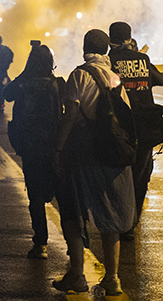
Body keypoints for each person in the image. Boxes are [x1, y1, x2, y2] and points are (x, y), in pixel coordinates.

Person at [52, 30, 136, 296]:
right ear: (107, 49)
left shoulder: (79, 75)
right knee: (111, 214)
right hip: (111, 153)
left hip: (85, 154)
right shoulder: (115, 77)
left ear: (84, 47)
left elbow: (70, 115)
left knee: (74, 211)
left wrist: (58, 149)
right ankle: (112, 279)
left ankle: (77, 275)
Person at [2, 43, 64, 260]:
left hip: (30, 146)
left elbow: (6, 94)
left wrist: (24, 73)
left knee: (35, 196)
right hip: (53, 145)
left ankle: (41, 243)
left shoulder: (23, 82)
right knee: (63, 195)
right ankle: (75, 244)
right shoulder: (56, 84)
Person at [108, 21, 163, 240]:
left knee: (117, 175)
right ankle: (132, 223)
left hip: (119, 128)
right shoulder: (143, 60)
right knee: (141, 175)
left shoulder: (110, 61)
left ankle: (119, 220)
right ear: (129, 37)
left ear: (111, 39)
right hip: (144, 126)